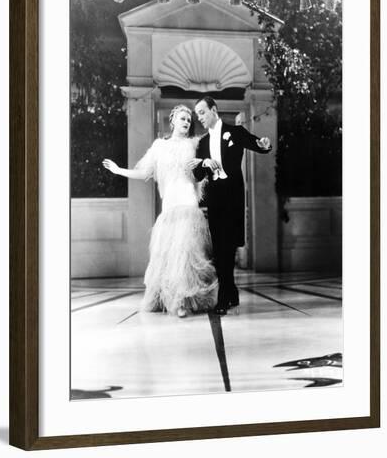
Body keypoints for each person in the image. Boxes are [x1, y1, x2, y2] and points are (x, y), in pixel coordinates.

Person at [103, 105, 217, 318]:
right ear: (172, 120)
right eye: (182, 118)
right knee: (167, 256)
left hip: (188, 204)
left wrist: (204, 162)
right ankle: (165, 298)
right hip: (170, 206)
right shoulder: (159, 146)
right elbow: (145, 172)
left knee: (185, 254)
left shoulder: (195, 144)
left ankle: (182, 302)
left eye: (189, 120)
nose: (186, 123)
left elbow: (208, 163)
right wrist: (119, 171)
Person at [193, 96, 272, 315]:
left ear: (214, 110)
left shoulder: (235, 132)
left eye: (202, 112)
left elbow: (258, 145)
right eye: (197, 114)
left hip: (234, 197)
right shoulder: (202, 143)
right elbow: (198, 175)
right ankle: (230, 294)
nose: (199, 117)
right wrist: (203, 163)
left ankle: (226, 297)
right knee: (220, 249)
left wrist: (265, 144)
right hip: (216, 199)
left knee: (228, 248)